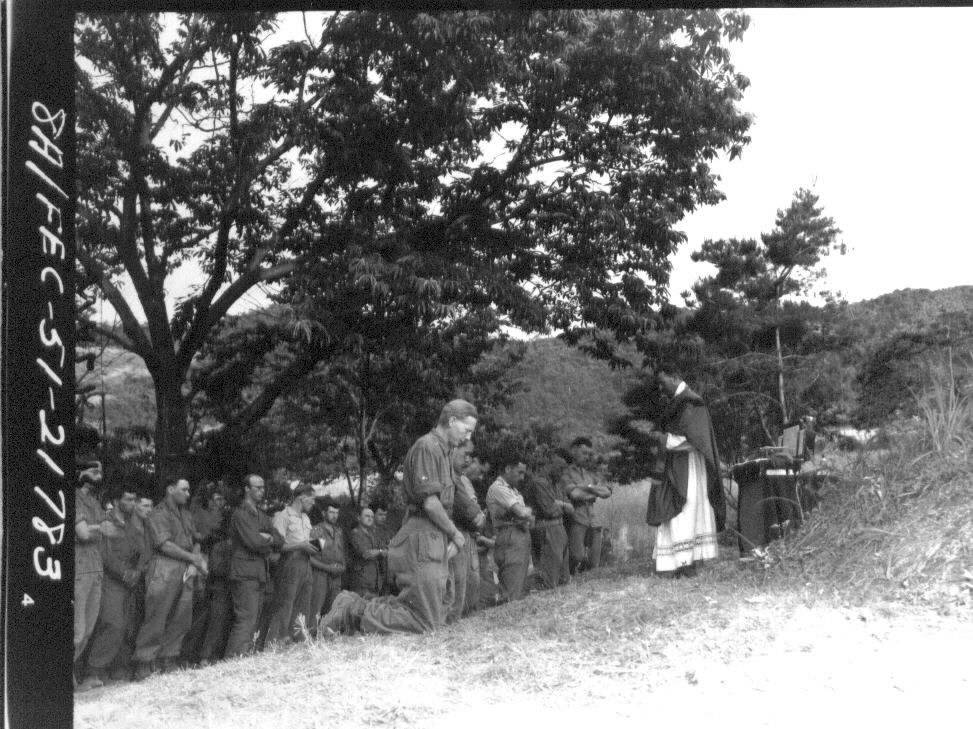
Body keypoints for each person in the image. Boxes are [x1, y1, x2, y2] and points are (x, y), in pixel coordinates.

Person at [321, 399, 479, 635]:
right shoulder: (428, 447)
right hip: (422, 537)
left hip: (435, 536)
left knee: (440, 609)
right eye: (466, 430)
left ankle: (358, 608)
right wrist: (456, 535)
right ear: (452, 421)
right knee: (423, 621)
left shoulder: (444, 452)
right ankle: (353, 610)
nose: (467, 437)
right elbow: (430, 503)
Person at [645, 368, 726, 578]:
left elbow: (694, 439)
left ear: (675, 377)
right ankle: (678, 561)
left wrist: (661, 439)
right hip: (677, 463)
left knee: (686, 509)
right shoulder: (678, 402)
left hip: (689, 466)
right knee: (678, 511)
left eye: (663, 382)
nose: (661, 388)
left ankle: (685, 561)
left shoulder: (692, 403)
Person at [132, 477, 205, 679]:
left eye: (189, 490)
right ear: (171, 489)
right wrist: (194, 559)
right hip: (163, 566)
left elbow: (195, 540)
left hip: (185, 568)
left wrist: (194, 561)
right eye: (184, 489)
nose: (188, 494)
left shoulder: (187, 515)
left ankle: (168, 658)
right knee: (157, 616)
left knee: (181, 617)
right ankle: (144, 663)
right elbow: (164, 544)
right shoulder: (158, 514)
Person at [83, 484, 147, 686]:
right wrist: (124, 573)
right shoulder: (106, 520)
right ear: (117, 501)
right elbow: (103, 553)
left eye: (134, 499)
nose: (132, 503)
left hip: (131, 579)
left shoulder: (132, 522)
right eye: (128, 499)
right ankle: (92, 671)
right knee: (112, 624)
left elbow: (143, 548)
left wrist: (138, 570)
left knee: (128, 625)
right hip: (112, 580)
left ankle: (115, 669)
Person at [225, 474, 284, 658]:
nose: (261, 491)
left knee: (254, 619)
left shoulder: (262, 515)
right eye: (257, 487)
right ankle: (234, 659)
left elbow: (280, 540)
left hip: (258, 573)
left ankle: (243, 656)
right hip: (244, 574)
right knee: (246, 619)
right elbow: (254, 542)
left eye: (263, 487)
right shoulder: (241, 514)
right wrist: (265, 538)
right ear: (246, 489)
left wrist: (268, 537)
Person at [74, 461, 118, 691]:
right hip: (79, 568)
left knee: (88, 629)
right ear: (79, 474)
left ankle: (73, 679)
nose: (98, 475)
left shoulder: (94, 502)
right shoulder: (73, 497)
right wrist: (99, 528)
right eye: (93, 471)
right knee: (77, 629)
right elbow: (82, 533)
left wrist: (100, 526)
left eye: (100, 471)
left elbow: (112, 527)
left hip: (95, 568)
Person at [264, 482, 318, 645]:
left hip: (306, 563)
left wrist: (315, 546)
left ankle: (298, 638)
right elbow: (275, 545)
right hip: (289, 563)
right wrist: (300, 545)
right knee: (285, 603)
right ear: (302, 498)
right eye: (312, 499)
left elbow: (307, 542)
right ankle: (275, 641)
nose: (314, 503)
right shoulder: (283, 516)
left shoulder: (306, 518)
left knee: (304, 602)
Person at [446, 442, 487, 621]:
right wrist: (478, 517)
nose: (468, 459)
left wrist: (478, 517)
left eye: (471, 456)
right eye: (466, 454)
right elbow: (474, 516)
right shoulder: (452, 479)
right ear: (453, 450)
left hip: (464, 536)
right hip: (456, 537)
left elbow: (478, 517)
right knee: (457, 592)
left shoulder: (461, 480)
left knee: (469, 587)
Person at [560, 437, 612, 573]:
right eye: (584, 453)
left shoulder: (590, 473)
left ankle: (589, 586)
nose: (587, 457)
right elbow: (575, 495)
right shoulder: (566, 472)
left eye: (589, 454)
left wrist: (586, 487)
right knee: (577, 556)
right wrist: (594, 491)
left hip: (594, 520)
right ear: (574, 451)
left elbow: (607, 492)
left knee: (594, 563)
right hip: (577, 518)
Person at [486, 454, 533, 602]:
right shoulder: (498, 488)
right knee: (512, 591)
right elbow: (523, 512)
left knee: (519, 587)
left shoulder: (514, 491)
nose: (522, 477)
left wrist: (525, 515)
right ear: (507, 469)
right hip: (510, 535)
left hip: (519, 534)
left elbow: (528, 518)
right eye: (519, 472)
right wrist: (524, 514)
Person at [525, 452, 574, 590]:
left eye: (564, 470)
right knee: (549, 578)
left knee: (564, 576)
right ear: (549, 466)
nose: (562, 474)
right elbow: (549, 510)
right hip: (547, 529)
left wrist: (560, 504)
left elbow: (571, 509)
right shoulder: (538, 483)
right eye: (560, 469)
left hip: (559, 528)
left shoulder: (556, 485)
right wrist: (562, 505)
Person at [458, 449, 490, 615]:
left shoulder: (465, 481)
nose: (481, 477)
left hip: (468, 536)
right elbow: (475, 518)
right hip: (462, 537)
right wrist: (480, 518)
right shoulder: (461, 480)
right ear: (474, 461)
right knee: (469, 585)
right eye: (482, 471)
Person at [308, 498, 346, 634]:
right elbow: (311, 557)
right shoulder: (318, 531)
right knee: (316, 609)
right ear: (324, 513)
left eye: (337, 512)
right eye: (331, 512)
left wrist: (343, 566)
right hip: (320, 575)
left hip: (336, 576)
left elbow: (341, 554)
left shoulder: (339, 532)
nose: (334, 515)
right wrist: (328, 568)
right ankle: (311, 639)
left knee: (333, 610)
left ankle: (327, 639)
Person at [349, 506, 387, 597]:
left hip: (375, 582)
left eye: (372, 517)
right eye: (367, 516)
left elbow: (386, 551)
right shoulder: (355, 534)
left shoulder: (373, 534)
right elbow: (366, 553)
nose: (370, 519)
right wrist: (381, 551)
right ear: (359, 518)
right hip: (362, 582)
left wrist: (380, 551)